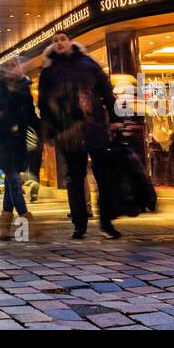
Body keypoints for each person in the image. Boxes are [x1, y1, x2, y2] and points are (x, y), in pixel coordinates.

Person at [37, 32, 123, 239]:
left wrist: (113, 118)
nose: (59, 43)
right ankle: (79, 224)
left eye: (63, 39)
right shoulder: (49, 70)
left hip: (95, 127)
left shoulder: (88, 63)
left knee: (103, 176)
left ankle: (106, 222)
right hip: (68, 132)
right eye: (55, 41)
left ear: (71, 42)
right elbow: (43, 103)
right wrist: (49, 130)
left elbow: (107, 92)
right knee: (75, 178)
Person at [0, 61, 40, 240]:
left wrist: (42, 130)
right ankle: (27, 221)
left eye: (14, 66)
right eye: (8, 66)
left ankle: (4, 227)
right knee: (13, 179)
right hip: (1, 140)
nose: (11, 69)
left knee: (10, 184)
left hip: (18, 140)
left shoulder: (23, 87)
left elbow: (30, 114)